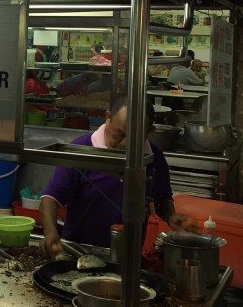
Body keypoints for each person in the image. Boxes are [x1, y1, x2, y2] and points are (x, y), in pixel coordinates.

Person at [39, 97, 195, 257]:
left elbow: (162, 199)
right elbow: (50, 198)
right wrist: (50, 233)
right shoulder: (80, 150)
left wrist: (171, 216)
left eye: (135, 138)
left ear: (150, 131)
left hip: (129, 258)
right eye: (119, 134)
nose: (124, 144)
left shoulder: (154, 157)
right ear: (108, 117)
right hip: (79, 254)